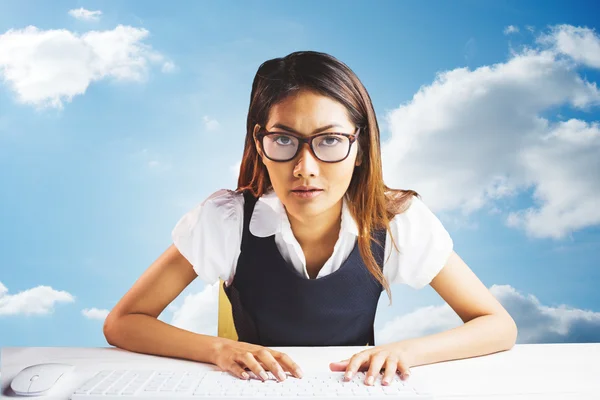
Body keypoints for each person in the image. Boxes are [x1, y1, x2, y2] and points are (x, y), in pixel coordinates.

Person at [103, 51, 517, 387]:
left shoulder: (394, 220)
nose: (305, 167)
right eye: (283, 140)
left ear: (361, 147)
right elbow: (124, 322)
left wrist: (406, 351)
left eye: (330, 141)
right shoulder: (226, 219)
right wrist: (218, 349)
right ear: (259, 143)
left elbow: (497, 325)